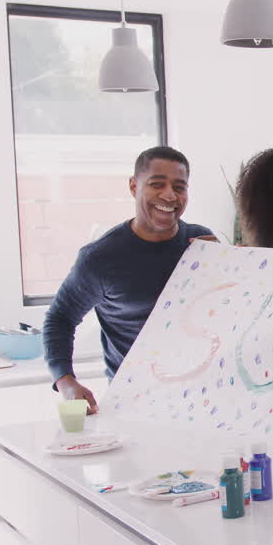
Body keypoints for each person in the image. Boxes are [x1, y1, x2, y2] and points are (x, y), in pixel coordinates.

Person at [44, 146, 212, 413]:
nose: (169, 195)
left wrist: (224, 263)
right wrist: (65, 380)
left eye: (179, 187)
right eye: (157, 184)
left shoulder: (202, 243)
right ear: (134, 187)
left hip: (200, 400)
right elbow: (59, 318)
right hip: (133, 405)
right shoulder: (101, 258)